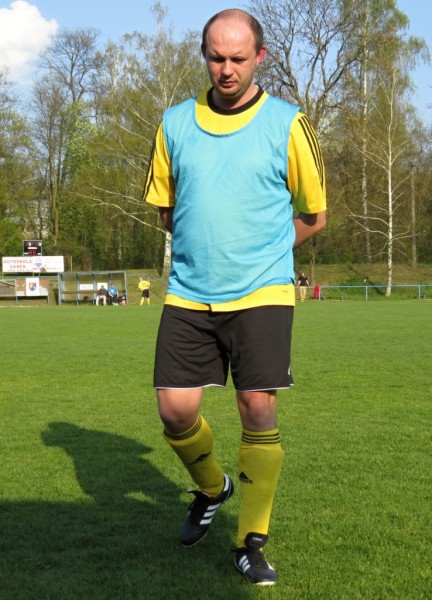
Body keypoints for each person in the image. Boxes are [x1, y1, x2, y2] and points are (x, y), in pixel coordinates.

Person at [144, 8, 326, 586]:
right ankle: (211, 487)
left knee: (258, 408)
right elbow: (169, 209)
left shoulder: (288, 124)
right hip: (190, 292)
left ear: (260, 57)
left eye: (239, 58)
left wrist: (260, 252)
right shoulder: (174, 123)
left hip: (263, 290)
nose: (227, 69)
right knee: (175, 410)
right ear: (204, 55)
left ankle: (251, 542)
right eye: (217, 57)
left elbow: (314, 215)